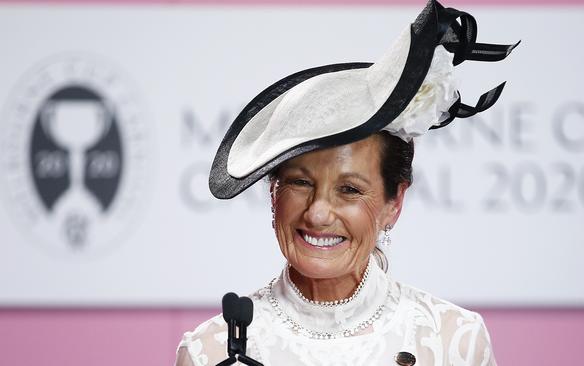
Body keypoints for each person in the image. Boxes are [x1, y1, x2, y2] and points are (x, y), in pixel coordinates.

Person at [176, 1, 517, 365]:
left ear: (394, 204)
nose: (319, 213)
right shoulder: (210, 350)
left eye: (350, 189)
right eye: (300, 183)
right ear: (273, 194)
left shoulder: (453, 341)